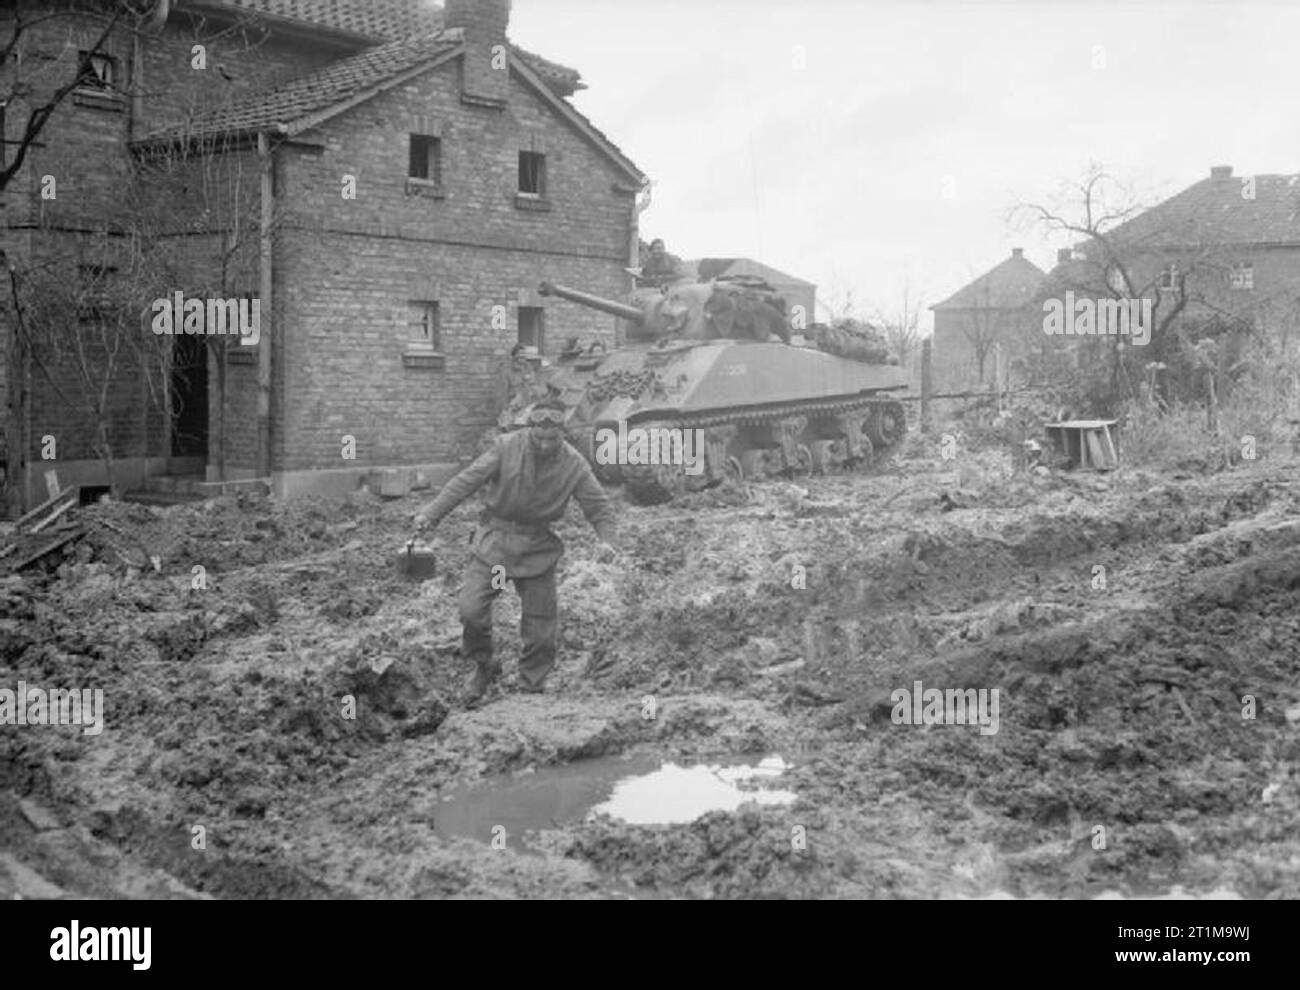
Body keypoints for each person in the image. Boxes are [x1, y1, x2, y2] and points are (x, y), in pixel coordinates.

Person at [411, 397, 621, 704]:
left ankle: (532, 688)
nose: (546, 444)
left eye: (553, 438)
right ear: (530, 429)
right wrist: (431, 514)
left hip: (537, 552)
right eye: (539, 437)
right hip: (496, 550)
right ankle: (484, 666)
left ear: (563, 433)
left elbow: (599, 507)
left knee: (540, 628)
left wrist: (607, 541)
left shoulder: (574, 464)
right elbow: (465, 482)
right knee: (472, 611)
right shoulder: (506, 447)